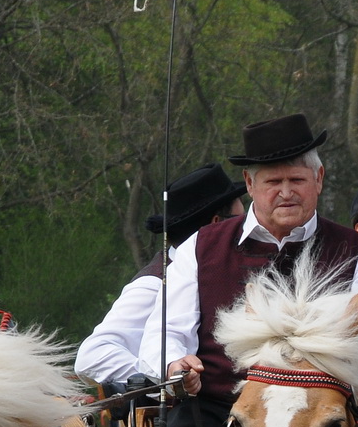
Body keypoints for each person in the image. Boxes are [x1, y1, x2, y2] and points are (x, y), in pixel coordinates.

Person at [140, 113, 358, 427]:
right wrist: (175, 366)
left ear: (319, 178)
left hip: (315, 424)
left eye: (297, 180)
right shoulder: (200, 248)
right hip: (215, 421)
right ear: (249, 183)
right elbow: (163, 333)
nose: (286, 192)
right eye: (273, 181)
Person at [74, 162, 246, 390]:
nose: (245, 228)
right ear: (217, 223)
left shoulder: (221, 271)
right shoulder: (153, 284)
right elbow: (92, 357)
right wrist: (172, 375)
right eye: (240, 220)